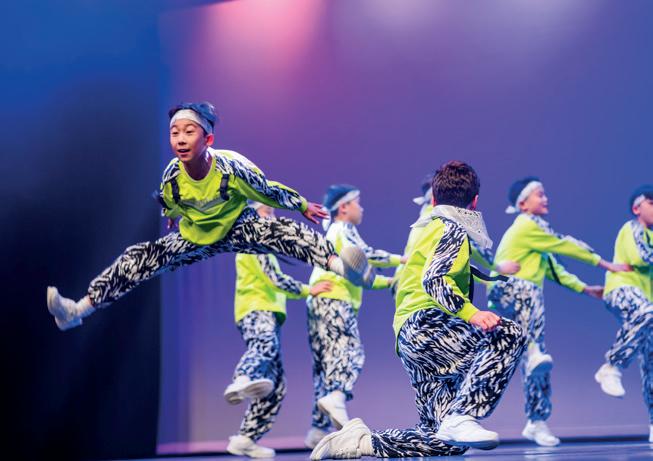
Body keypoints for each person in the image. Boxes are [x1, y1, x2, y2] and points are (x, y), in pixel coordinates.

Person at [46, 102, 372, 330]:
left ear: (208, 139)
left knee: (284, 232)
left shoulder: (232, 168)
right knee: (140, 258)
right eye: (175, 133)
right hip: (197, 236)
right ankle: (77, 310)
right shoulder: (173, 175)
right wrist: (172, 216)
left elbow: (266, 190)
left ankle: (341, 267)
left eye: (189, 132)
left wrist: (300, 205)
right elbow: (169, 200)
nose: (180, 140)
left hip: (238, 226)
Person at [311, 161, 526, 460]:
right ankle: (464, 414)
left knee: (445, 440)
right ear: (475, 201)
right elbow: (434, 279)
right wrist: (472, 313)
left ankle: (360, 442)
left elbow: (414, 275)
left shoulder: (426, 227)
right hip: (429, 326)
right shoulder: (452, 227)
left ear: (433, 200)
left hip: (409, 337)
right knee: (509, 334)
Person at [487, 177, 630, 446]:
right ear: (523, 204)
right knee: (530, 301)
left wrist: (585, 289)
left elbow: (554, 268)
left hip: (523, 299)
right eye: (539, 194)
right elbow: (565, 245)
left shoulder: (538, 233)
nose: (545, 198)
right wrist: (605, 264)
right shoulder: (526, 226)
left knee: (538, 366)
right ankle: (532, 351)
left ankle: (536, 421)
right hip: (506, 291)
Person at [224, 202, 333, 458]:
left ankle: (245, 438)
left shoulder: (261, 244)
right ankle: (243, 376)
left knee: (276, 385)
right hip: (256, 308)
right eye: (267, 211)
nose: (272, 216)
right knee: (265, 343)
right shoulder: (252, 242)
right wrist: (309, 289)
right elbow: (274, 278)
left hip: (266, 310)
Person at [304, 185, 404, 449]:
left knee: (325, 365)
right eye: (357, 202)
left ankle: (318, 429)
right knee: (351, 350)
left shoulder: (332, 233)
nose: (361, 208)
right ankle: (337, 395)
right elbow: (365, 255)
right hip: (335, 299)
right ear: (344, 207)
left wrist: (388, 281)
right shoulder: (342, 229)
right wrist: (401, 260)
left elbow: (362, 277)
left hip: (318, 301)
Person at [594, 186, 652, 443]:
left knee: (650, 361)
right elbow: (644, 257)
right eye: (652, 203)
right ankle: (611, 366)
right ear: (637, 208)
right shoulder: (633, 228)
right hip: (621, 289)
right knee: (647, 312)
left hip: (646, 304)